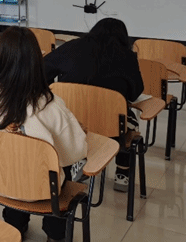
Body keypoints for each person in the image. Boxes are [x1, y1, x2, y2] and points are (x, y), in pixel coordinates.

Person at [0, 27, 87, 242]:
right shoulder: (50, 104)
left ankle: (14, 225)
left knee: (12, 159)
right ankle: (55, 234)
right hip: (42, 190)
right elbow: (75, 153)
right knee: (61, 169)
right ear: (36, 63)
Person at [44, 18, 143, 191]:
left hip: (71, 122)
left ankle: (76, 161)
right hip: (111, 128)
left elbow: (43, 71)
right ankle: (122, 174)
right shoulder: (127, 57)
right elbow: (136, 93)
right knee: (130, 121)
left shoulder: (71, 47)